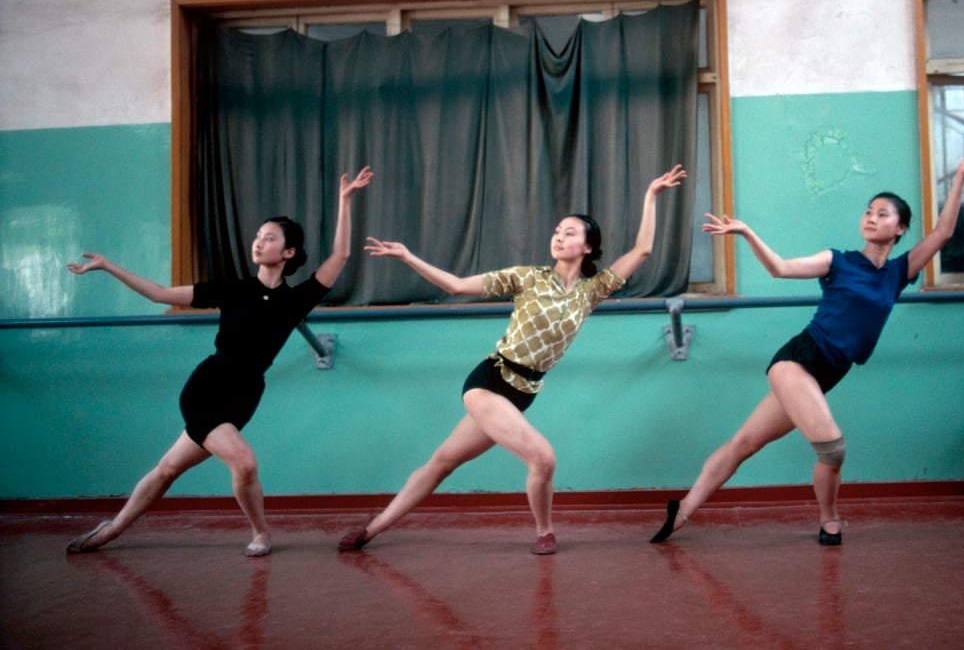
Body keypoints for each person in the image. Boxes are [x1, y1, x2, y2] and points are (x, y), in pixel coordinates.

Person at [650, 148, 964, 546]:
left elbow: (942, 234)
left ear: (900, 228)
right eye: (869, 211)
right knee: (832, 449)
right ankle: (830, 520)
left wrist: (960, 177)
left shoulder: (899, 272)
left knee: (744, 443)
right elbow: (780, 268)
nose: (872, 217)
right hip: (798, 361)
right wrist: (747, 233)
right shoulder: (838, 261)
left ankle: (683, 511)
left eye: (883, 214)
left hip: (830, 372)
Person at [338, 165, 687, 556]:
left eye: (569, 232)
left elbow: (643, 250)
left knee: (440, 463)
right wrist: (407, 257)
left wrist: (651, 196)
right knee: (543, 458)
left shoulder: (594, 290)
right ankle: (544, 532)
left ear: (587, 246)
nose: (558, 236)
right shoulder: (528, 277)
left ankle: (371, 530)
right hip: (489, 381)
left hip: (525, 391)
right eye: (556, 231)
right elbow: (455, 285)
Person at [65, 166, 374, 557]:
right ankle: (261, 533)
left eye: (269, 238)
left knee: (168, 469)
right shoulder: (232, 290)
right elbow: (160, 294)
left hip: (245, 395)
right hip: (209, 386)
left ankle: (111, 530)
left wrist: (345, 202)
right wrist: (109, 266)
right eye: (257, 236)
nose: (258, 242)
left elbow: (342, 254)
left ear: (289, 252)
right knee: (243, 462)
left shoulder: (297, 299)